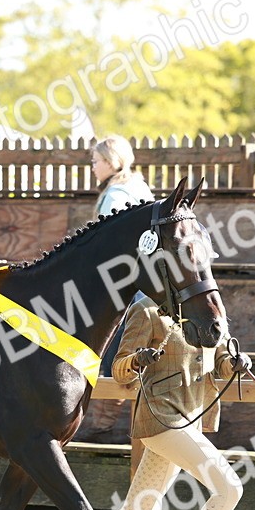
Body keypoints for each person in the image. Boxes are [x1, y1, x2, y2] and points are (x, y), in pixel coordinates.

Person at [56, 294, 253, 510]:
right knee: (229, 488)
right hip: (160, 419)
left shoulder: (206, 309)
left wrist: (235, 363)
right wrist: (138, 359)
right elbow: (119, 368)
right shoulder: (146, 310)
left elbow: (218, 359)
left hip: (189, 418)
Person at [83, 134, 156, 439]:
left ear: (111, 162)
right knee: (126, 357)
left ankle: (101, 430)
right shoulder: (140, 187)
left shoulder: (114, 195)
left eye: (96, 161)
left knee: (110, 358)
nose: (93, 167)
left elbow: (106, 247)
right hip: (143, 288)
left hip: (120, 290)